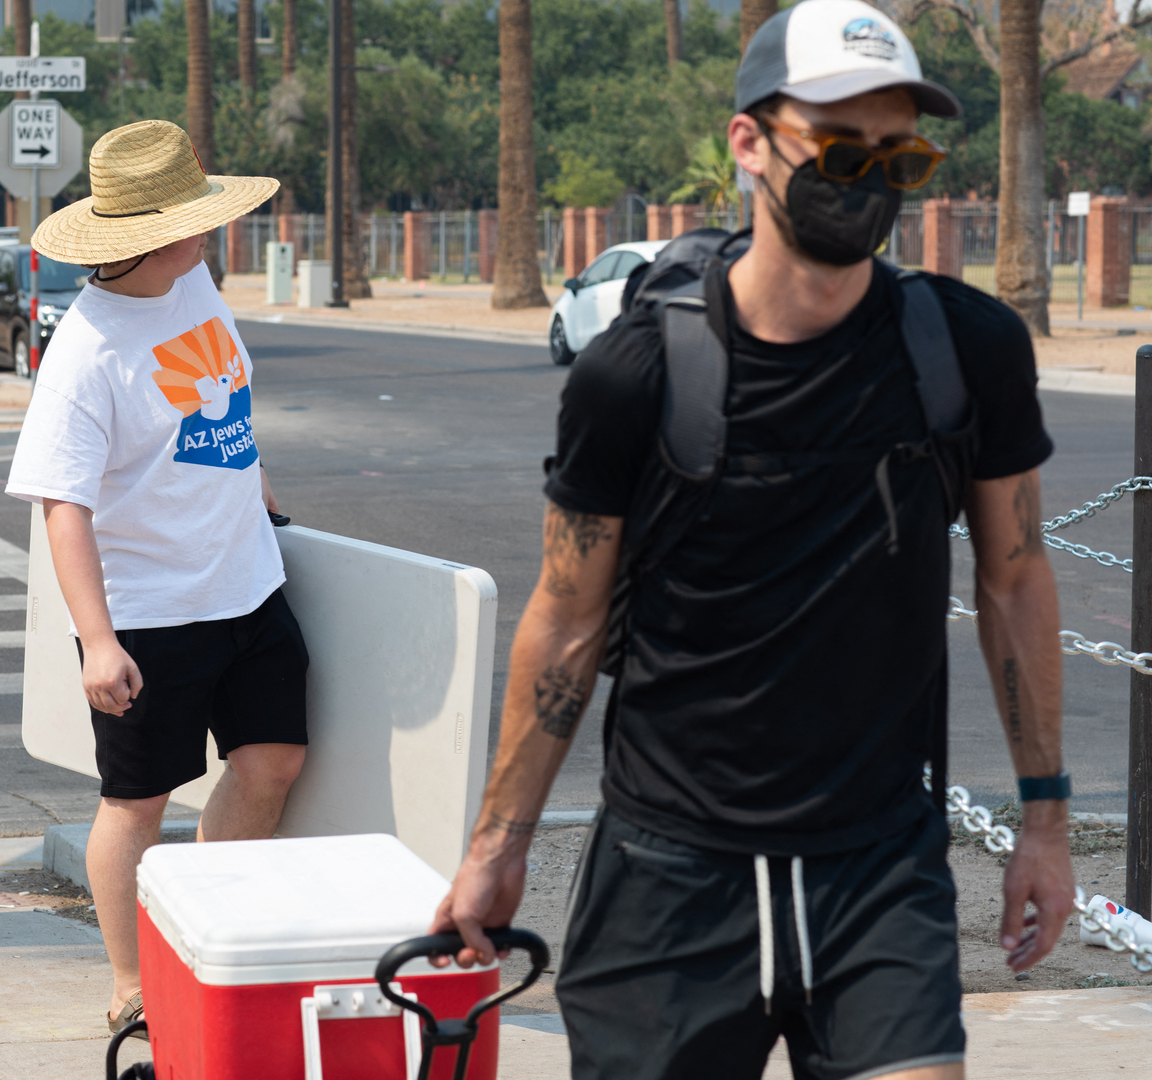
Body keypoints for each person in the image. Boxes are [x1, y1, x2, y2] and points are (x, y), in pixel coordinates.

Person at [431, 4, 1074, 1078]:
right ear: (748, 142)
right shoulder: (635, 375)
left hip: (879, 874)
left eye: (899, 157)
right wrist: (498, 847)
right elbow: (567, 618)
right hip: (668, 882)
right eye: (838, 148)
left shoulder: (968, 350)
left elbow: (1015, 580)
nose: (868, 179)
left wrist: (1045, 823)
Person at [5, 121, 308, 1036]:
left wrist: (254, 477)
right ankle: (133, 980)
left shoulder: (191, 280)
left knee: (273, 762)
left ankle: (198, 933)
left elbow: (217, 402)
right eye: (192, 220)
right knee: (135, 804)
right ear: (146, 238)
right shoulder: (85, 355)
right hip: (151, 613)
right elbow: (63, 506)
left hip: (249, 584)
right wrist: (98, 642)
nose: (209, 229)